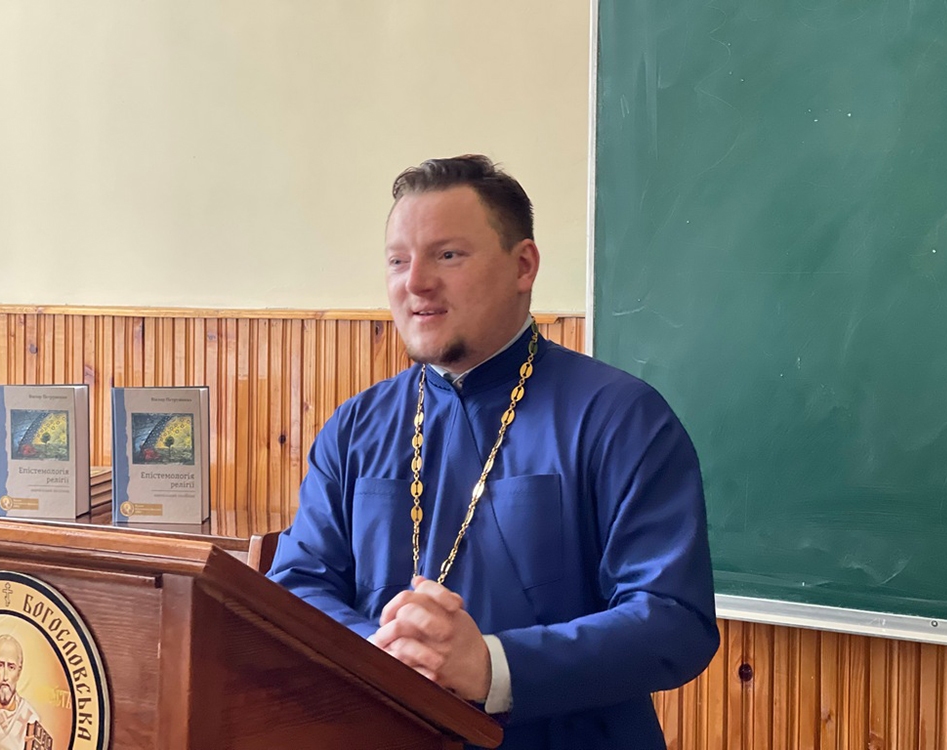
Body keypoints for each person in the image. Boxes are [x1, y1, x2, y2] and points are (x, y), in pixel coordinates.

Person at [267, 155, 719, 749]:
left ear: (523, 266)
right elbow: (296, 584)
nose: (416, 282)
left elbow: (672, 620)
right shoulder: (356, 425)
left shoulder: (620, 417)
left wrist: (493, 666)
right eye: (398, 260)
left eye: (448, 255)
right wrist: (381, 657)